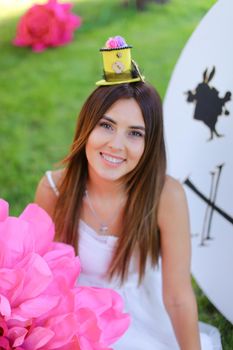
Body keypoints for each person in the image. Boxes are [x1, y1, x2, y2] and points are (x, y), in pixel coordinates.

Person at [35, 36, 222, 349]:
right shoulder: (55, 189)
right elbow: (37, 280)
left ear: (150, 145)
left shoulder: (165, 196)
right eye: (106, 126)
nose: (116, 145)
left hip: (134, 312)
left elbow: (177, 297)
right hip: (71, 312)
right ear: (86, 127)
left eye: (135, 133)